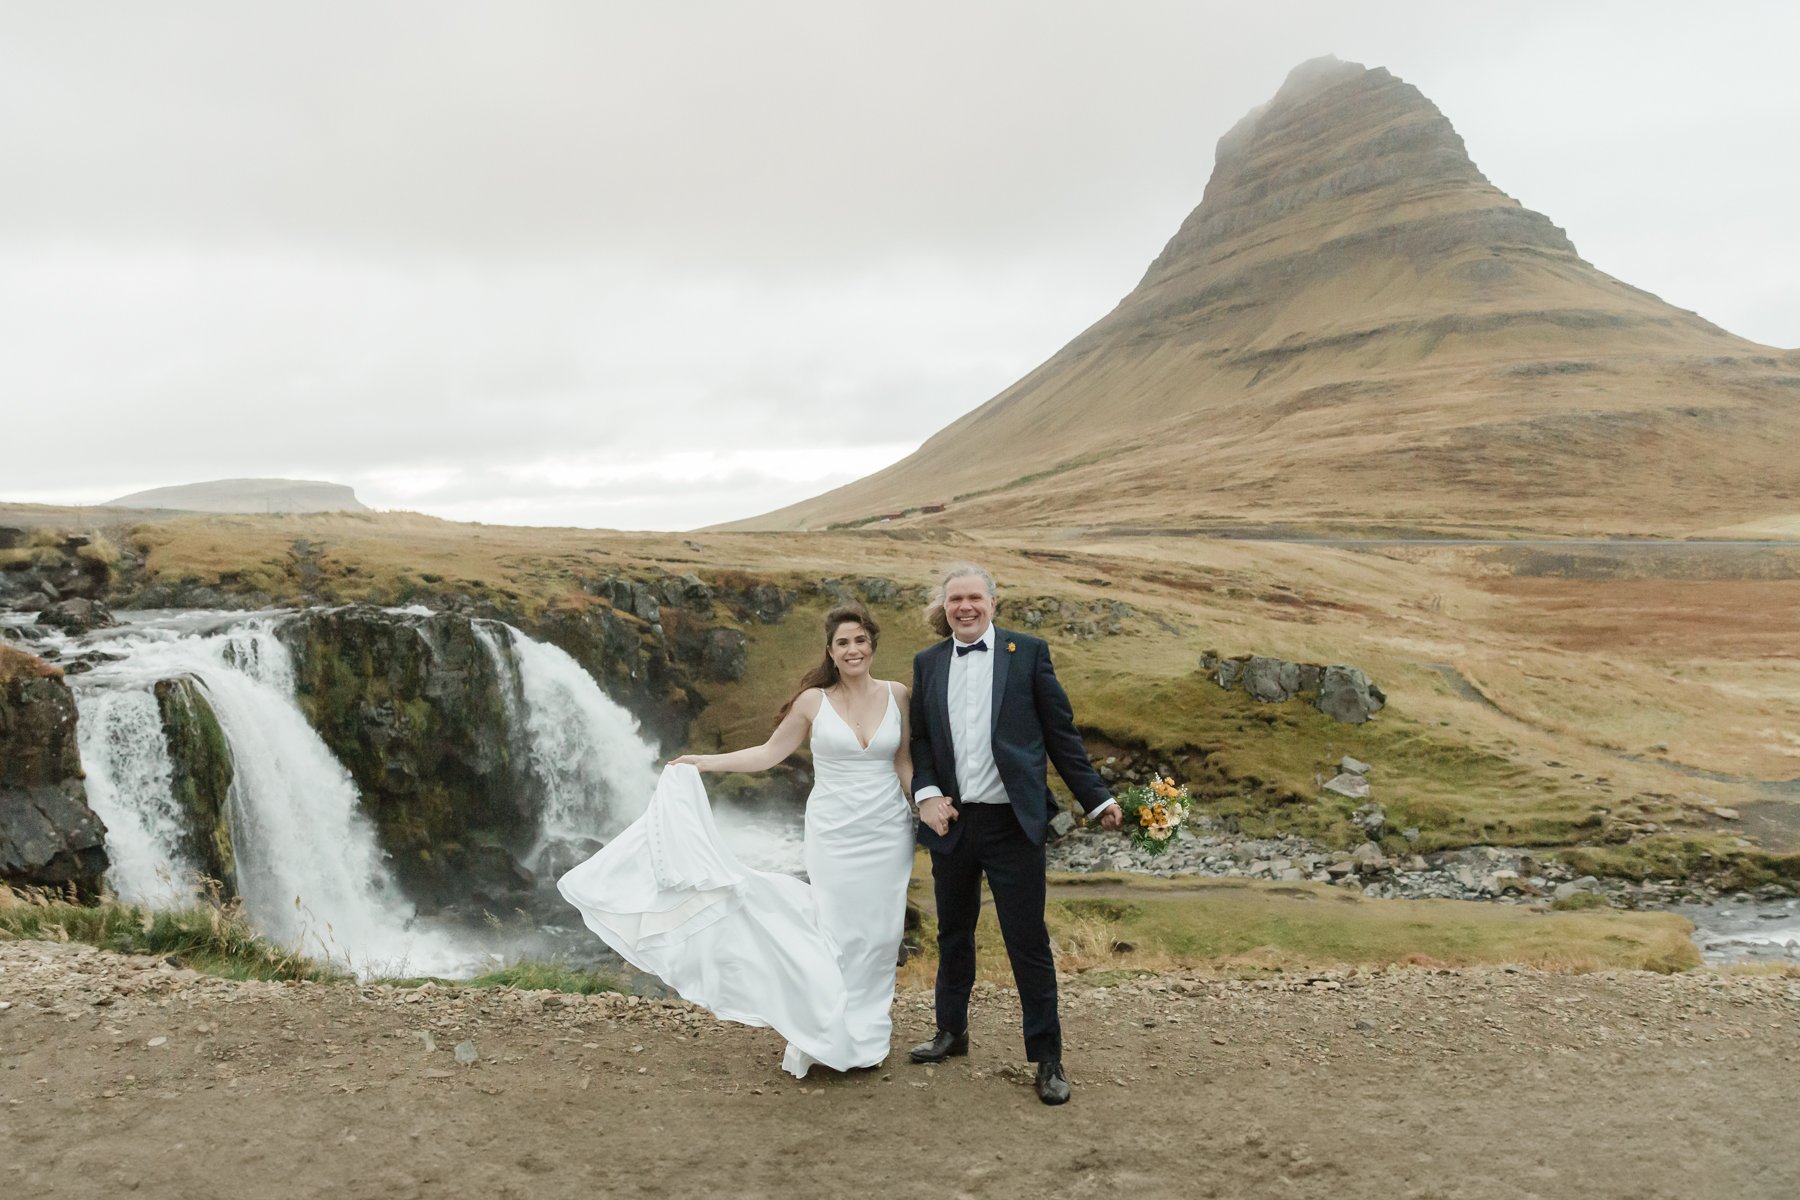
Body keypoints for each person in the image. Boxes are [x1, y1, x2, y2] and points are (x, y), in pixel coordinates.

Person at [557, 603, 915, 1079]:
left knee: (882, 933)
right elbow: (769, 753)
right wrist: (703, 762)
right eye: (843, 642)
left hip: (888, 830)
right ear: (831, 651)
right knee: (837, 931)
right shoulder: (813, 701)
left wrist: (929, 802)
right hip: (834, 834)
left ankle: (866, 1033)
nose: (853, 649)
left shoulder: (899, 695)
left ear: (873, 644)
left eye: (860, 640)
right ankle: (827, 1031)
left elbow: (904, 762)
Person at [908, 562, 1120, 1105]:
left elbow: (1061, 735)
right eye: (956, 599)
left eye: (974, 597)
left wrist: (1097, 800)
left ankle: (1048, 1058)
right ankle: (951, 1031)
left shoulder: (1027, 654)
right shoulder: (928, 663)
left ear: (993, 603)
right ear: (945, 607)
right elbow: (925, 743)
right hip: (952, 822)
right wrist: (927, 794)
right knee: (954, 933)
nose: (965, 607)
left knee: (1027, 942)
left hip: (1012, 823)